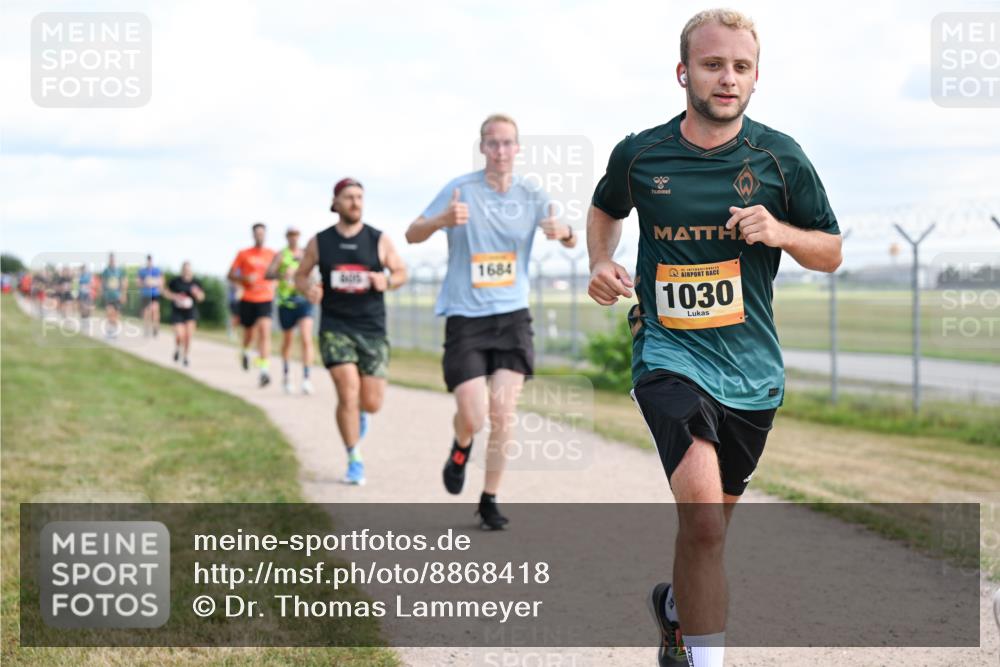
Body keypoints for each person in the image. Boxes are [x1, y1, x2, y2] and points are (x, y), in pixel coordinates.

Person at [586, 9, 842, 667]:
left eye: (740, 67)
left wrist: (781, 231)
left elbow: (832, 250)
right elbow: (606, 209)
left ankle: (675, 612)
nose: (726, 79)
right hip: (667, 350)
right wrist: (599, 261)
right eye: (712, 64)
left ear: (755, 77)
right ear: (684, 72)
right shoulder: (641, 153)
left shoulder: (780, 158)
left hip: (751, 369)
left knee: (708, 533)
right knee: (701, 520)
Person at [405, 114, 577, 529]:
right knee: (475, 415)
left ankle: (489, 499)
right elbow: (412, 233)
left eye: (507, 144)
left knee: (503, 413)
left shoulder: (531, 193)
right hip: (466, 317)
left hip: (512, 316)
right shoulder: (460, 189)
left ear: (518, 149)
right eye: (492, 143)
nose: (500, 151)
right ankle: (461, 445)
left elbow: (569, 236)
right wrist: (440, 221)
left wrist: (564, 231)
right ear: (482, 148)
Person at [295, 178, 407, 486]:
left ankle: (360, 417)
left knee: (371, 402)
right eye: (349, 197)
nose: (355, 202)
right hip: (336, 326)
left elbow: (401, 271)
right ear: (336, 203)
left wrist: (389, 281)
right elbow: (300, 276)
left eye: (359, 197)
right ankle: (353, 456)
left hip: (371, 327)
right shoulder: (321, 241)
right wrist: (309, 290)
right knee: (347, 390)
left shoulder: (378, 239)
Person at [266, 226, 316, 395]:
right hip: (286, 303)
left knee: (306, 338)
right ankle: (287, 376)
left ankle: (307, 378)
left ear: (299, 236)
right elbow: (268, 274)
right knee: (287, 341)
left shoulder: (305, 254)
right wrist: (282, 275)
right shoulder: (281, 255)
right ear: (286, 237)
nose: (293, 238)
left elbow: (314, 274)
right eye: (290, 235)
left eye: (296, 235)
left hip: (304, 301)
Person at [228, 223, 277, 387]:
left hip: (265, 298)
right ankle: (246, 351)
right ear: (253, 235)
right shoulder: (243, 254)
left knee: (264, 332)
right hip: (248, 298)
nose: (259, 236)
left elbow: (278, 274)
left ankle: (264, 371)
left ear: (266, 235)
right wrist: (243, 279)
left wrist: (275, 283)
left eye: (262, 233)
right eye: (257, 233)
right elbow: (230, 275)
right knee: (249, 334)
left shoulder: (272, 254)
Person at [163, 261, 205, 366]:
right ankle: (177, 348)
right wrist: (174, 297)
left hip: (191, 312)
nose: (187, 272)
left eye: (188, 270)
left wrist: (197, 294)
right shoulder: (175, 282)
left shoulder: (196, 283)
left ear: (191, 271)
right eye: (185, 270)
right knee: (180, 335)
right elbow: (165, 292)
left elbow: (201, 298)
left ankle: (186, 357)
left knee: (188, 336)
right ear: (182, 270)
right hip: (178, 312)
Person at [99, 253, 127, 339]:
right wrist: (102, 292)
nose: (112, 261)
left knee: (115, 315)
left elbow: (123, 283)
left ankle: (114, 330)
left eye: (113, 260)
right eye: (110, 260)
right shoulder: (106, 271)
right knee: (109, 312)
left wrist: (123, 294)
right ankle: (110, 330)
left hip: (117, 296)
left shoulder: (119, 271)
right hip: (108, 296)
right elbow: (102, 282)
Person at [137, 255, 163, 337]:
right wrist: (145, 283)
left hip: (154, 294)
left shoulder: (157, 270)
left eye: (150, 261)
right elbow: (138, 282)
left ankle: (155, 327)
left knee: (155, 311)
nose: (149, 262)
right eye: (148, 261)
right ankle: (146, 328)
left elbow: (161, 281)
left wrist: (153, 282)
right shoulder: (142, 271)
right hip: (145, 294)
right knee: (146, 312)